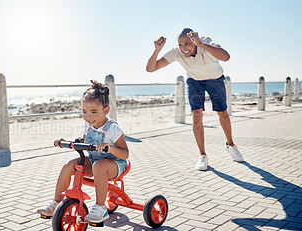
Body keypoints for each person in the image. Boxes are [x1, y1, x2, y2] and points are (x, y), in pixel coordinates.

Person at [146, 28, 244, 171]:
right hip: (195, 81)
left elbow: (226, 57)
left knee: (222, 113)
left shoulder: (206, 43)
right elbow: (151, 68)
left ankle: (231, 145)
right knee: (196, 115)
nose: (183, 48)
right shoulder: (177, 51)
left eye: (187, 43)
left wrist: (201, 44)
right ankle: (202, 155)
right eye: (180, 44)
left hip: (215, 79)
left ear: (194, 40)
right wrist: (157, 51)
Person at [37, 80, 129, 223]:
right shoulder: (88, 125)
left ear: (106, 111)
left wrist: (109, 147)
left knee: (99, 166)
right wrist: (67, 142)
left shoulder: (112, 129)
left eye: (93, 112)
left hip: (116, 163)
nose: (88, 116)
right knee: (70, 166)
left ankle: (100, 207)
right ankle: (56, 202)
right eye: (84, 111)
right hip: (94, 161)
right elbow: (83, 142)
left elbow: (125, 154)